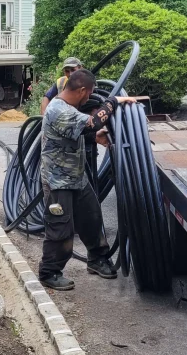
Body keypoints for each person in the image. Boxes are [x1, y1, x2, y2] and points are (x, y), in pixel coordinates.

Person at [39, 68, 138, 290]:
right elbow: (93, 122)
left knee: (91, 218)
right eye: (90, 93)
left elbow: (75, 133)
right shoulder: (58, 109)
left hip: (76, 177)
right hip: (58, 182)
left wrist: (94, 137)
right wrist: (113, 102)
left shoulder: (67, 109)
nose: (89, 97)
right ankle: (49, 272)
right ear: (82, 90)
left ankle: (97, 259)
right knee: (60, 229)